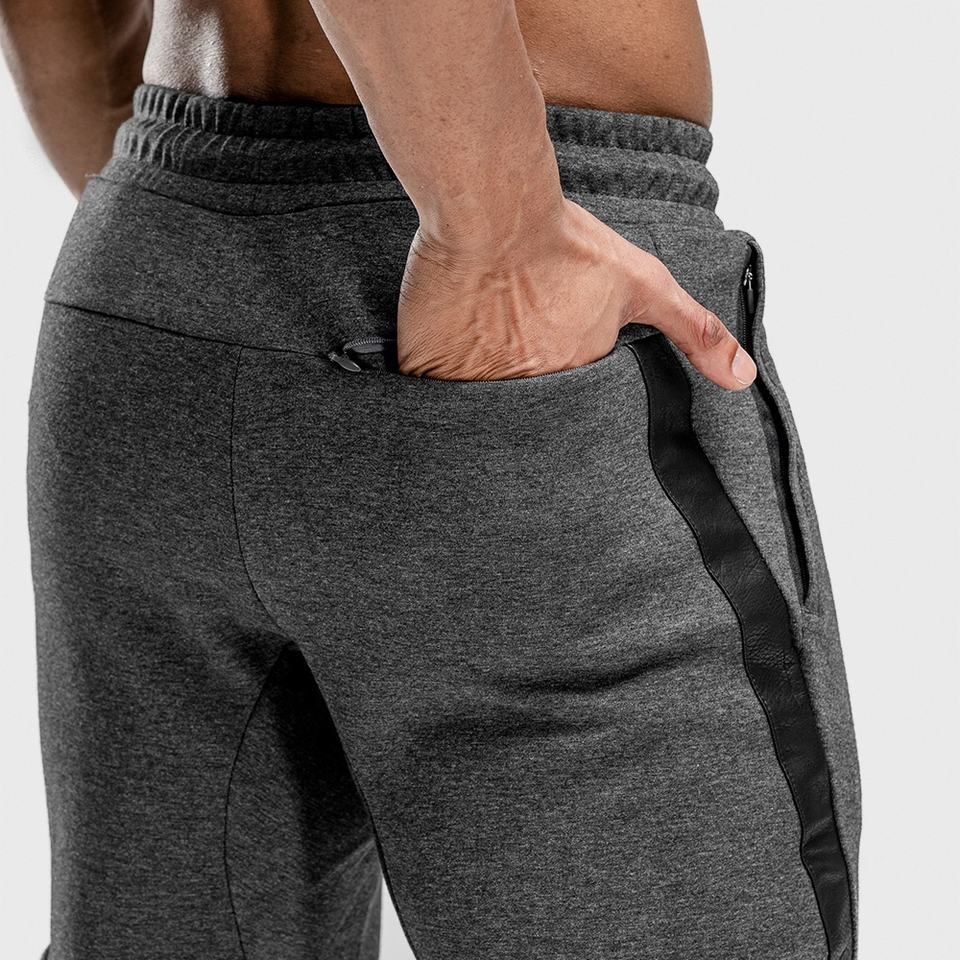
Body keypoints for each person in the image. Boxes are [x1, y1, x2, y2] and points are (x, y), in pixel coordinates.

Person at [2, 1, 861, 958]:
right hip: (506, 259)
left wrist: (188, 264)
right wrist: (499, 235)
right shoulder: (499, 236)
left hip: (152, 275)